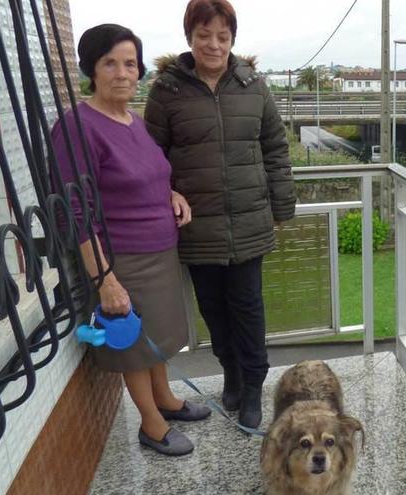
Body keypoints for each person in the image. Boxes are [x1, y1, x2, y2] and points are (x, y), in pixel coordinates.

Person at [51, 24, 211, 456]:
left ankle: (166, 399)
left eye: (130, 63)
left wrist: (172, 194)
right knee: (134, 345)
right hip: (121, 258)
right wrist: (105, 279)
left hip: (159, 250)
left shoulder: (132, 121)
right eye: (110, 63)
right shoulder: (76, 128)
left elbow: (150, 177)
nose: (123, 73)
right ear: (91, 69)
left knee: (155, 334)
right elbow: (76, 212)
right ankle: (151, 423)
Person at [144, 0, 296, 429]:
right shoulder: (166, 92)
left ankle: (252, 386)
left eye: (223, 36)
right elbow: (151, 158)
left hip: (248, 219)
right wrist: (168, 192)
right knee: (213, 307)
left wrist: (283, 206)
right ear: (189, 37)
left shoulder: (254, 87)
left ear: (233, 39)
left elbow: (275, 148)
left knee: (248, 306)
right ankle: (229, 369)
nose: (214, 44)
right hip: (196, 225)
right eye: (204, 35)